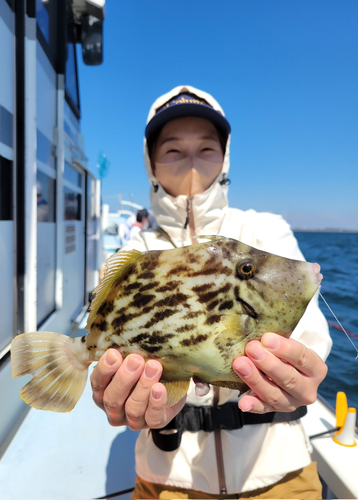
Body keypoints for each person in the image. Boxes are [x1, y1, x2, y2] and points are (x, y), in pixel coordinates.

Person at [90, 86, 331, 499]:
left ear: (225, 157)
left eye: (206, 147)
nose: (191, 162)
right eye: (172, 149)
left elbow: (309, 335)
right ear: (150, 161)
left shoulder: (264, 229)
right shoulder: (136, 251)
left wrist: (301, 373)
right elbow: (118, 340)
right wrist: (124, 396)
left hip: (280, 476)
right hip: (167, 479)